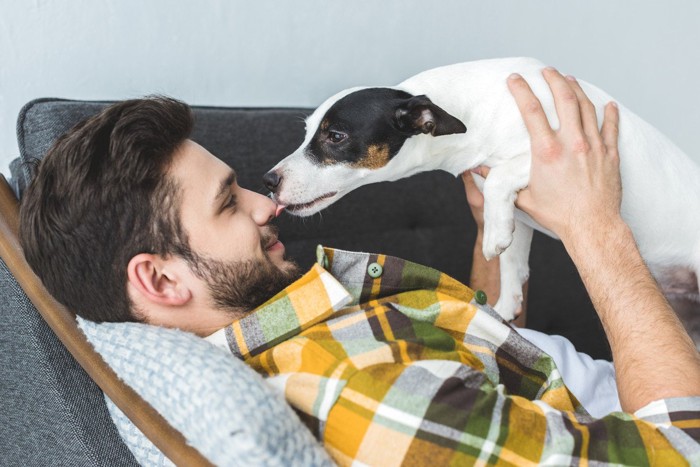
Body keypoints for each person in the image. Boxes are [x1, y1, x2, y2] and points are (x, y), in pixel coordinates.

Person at [19, 68, 700, 465]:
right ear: (162, 280)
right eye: (229, 204)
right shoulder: (359, 394)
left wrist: (493, 239)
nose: (265, 205)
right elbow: (681, 449)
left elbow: (493, 354)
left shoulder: (306, 311)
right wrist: (594, 225)